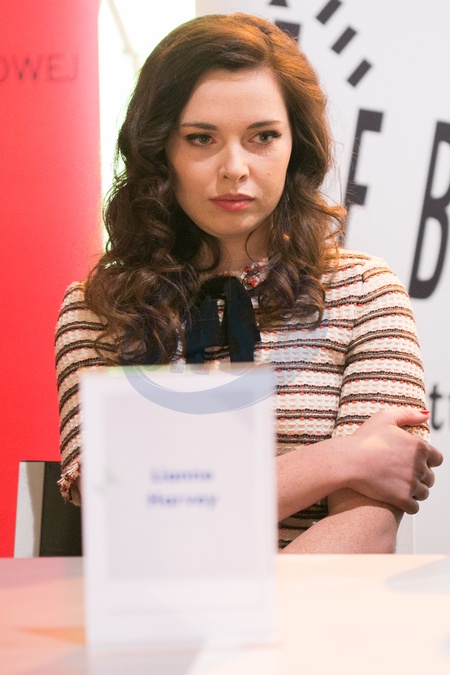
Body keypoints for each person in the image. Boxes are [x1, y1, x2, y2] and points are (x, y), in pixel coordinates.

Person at [55, 12, 443, 553]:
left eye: (263, 136)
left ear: (296, 146)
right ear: (160, 150)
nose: (234, 167)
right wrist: (341, 458)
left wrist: (241, 615)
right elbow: (122, 514)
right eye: (201, 138)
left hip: (324, 607)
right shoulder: (99, 307)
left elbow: (368, 525)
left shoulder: (365, 292)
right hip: (154, 609)